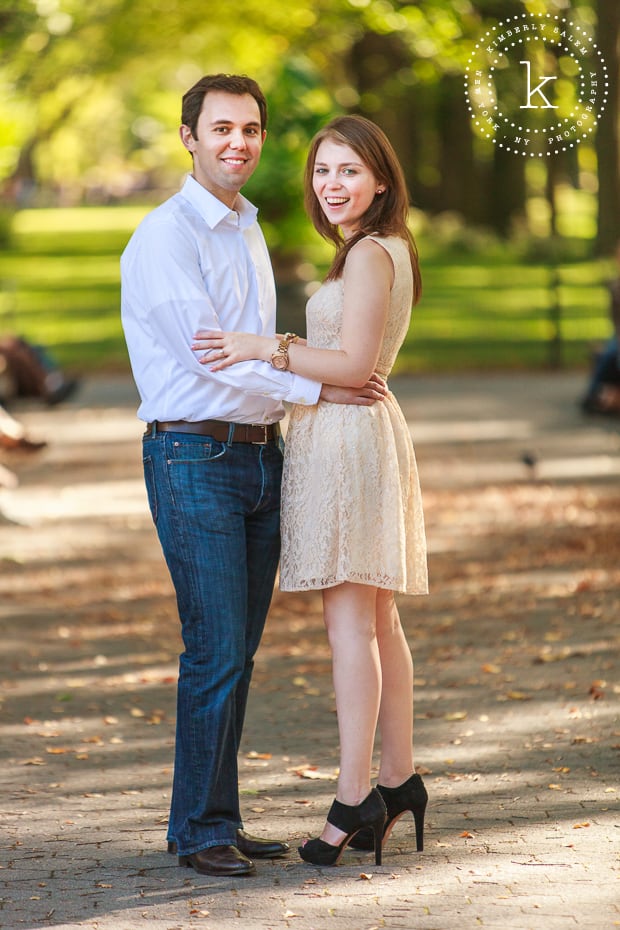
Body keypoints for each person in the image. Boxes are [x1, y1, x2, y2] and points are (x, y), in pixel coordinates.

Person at [120, 75, 387, 878]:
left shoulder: (248, 230)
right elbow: (214, 357)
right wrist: (322, 385)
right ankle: (198, 829)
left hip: (261, 457)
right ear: (189, 138)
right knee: (214, 647)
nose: (238, 141)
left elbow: (260, 346)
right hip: (193, 454)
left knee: (237, 648)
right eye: (222, 128)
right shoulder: (164, 238)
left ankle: (218, 818)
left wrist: (300, 382)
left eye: (252, 129)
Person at [191, 114, 429, 866]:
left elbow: (355, 364)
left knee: (352, 628)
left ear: (381, 180)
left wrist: (267, 346)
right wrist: (306, 370)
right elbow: (356, 366)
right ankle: (399, 778)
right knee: (378, 622)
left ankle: (353, 798)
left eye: (348, 171)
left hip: (351, 442)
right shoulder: (381, 250)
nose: (332, 185)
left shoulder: (368, 256)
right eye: (323, 172)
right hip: (359, 436)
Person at [581, 242, 620, 416]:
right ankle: (598, 395)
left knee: (610, 356)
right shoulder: (616, 286)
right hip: (618, 335)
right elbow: (616, 319)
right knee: (608, 354)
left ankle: (598, 395)